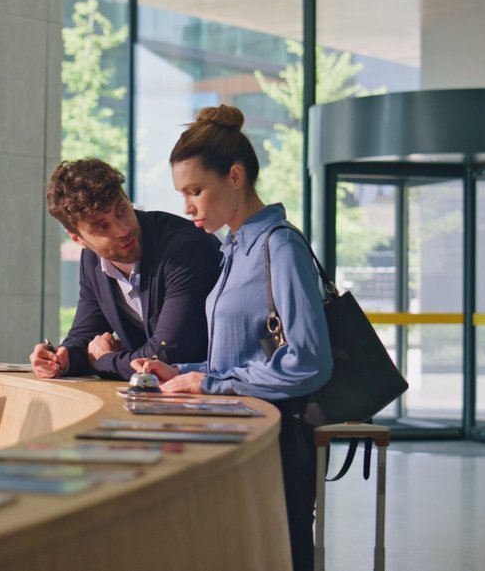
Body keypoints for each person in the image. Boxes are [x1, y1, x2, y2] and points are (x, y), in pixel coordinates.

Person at [132, 105, 333, 571]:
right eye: (182, 194)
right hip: (238, 434)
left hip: (277, 439)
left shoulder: (279, 246)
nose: (187, 207)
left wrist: (210, 384)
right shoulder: (235, 248)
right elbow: (235, 360)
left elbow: (308, 360)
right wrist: (181, 373)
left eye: (196, 191)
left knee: (279, 555)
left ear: (236, 176)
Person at [29, 157, 222, 380]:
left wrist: (103, 360)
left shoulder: (187, 249)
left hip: (217, 394)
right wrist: (60, 359)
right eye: (102, 226)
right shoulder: (92, 260)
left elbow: (165, 356)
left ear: (127, 198)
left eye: (121, 210)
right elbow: (85, 334)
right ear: (78, 239)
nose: (122, 230)